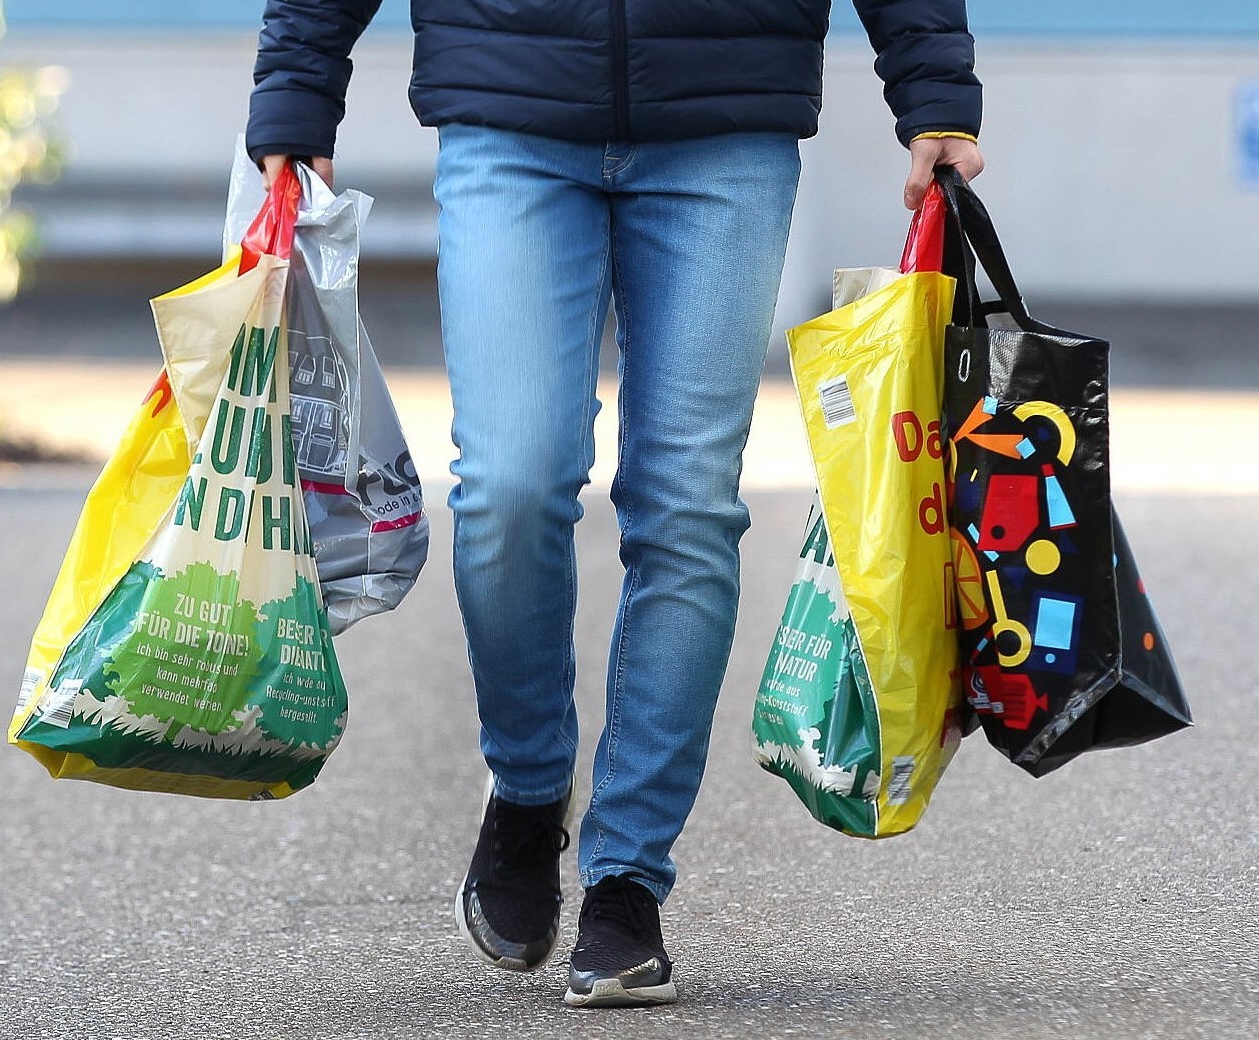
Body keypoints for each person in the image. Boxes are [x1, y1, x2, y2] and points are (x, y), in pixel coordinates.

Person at [247, 0, 984, 1009]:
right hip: (508, 104)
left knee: (684, 505)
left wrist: (932, 87)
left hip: (723, 117)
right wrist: (296, 89)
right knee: (508, 482)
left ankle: (627, 877)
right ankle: (527, 784)